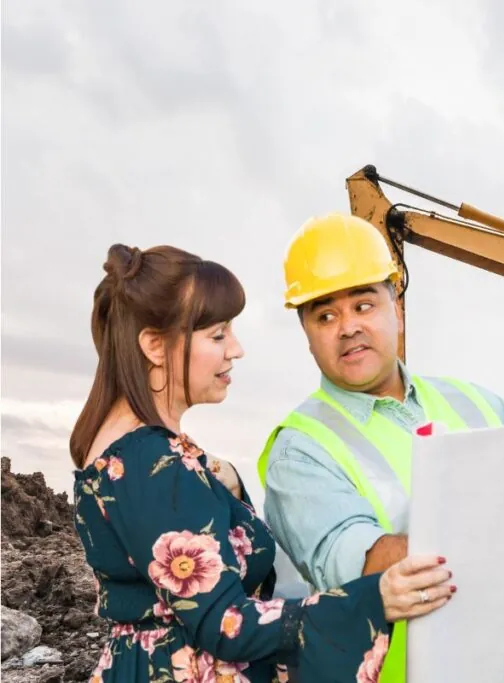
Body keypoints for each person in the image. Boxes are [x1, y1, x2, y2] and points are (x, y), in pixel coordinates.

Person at [258, 214, 504, 683]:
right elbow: (357, 566)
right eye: (325, 315)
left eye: (363, 305)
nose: (347, 327)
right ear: (307, 335)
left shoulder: (479, 403)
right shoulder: (300, 448)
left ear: (396, 308)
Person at [70, 243, 455, 683]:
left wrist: (225, 482)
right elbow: (226, 625)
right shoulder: (148, 461)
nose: (236, 350)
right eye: (218, 335)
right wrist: (375, 598)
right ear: (155, 345)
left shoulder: (136, 452)